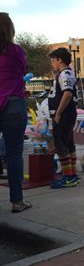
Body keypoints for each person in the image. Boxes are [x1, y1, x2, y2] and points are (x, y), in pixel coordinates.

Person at [0, 12, 31, 212]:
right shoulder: (16, 51)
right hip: (13, 104)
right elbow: (20, 72)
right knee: (14, 153)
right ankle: (17, 201)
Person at [48, 48, 80, 189]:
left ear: (59, 60)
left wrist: (59, 113)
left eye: (53, 61)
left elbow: (67, 94)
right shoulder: (67, 73)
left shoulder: (65, 74)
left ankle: (68, 177)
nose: (52, 64)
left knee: (61, 145)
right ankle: (72, 175)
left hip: (64, 114)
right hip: (68, 113)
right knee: (69, 143)